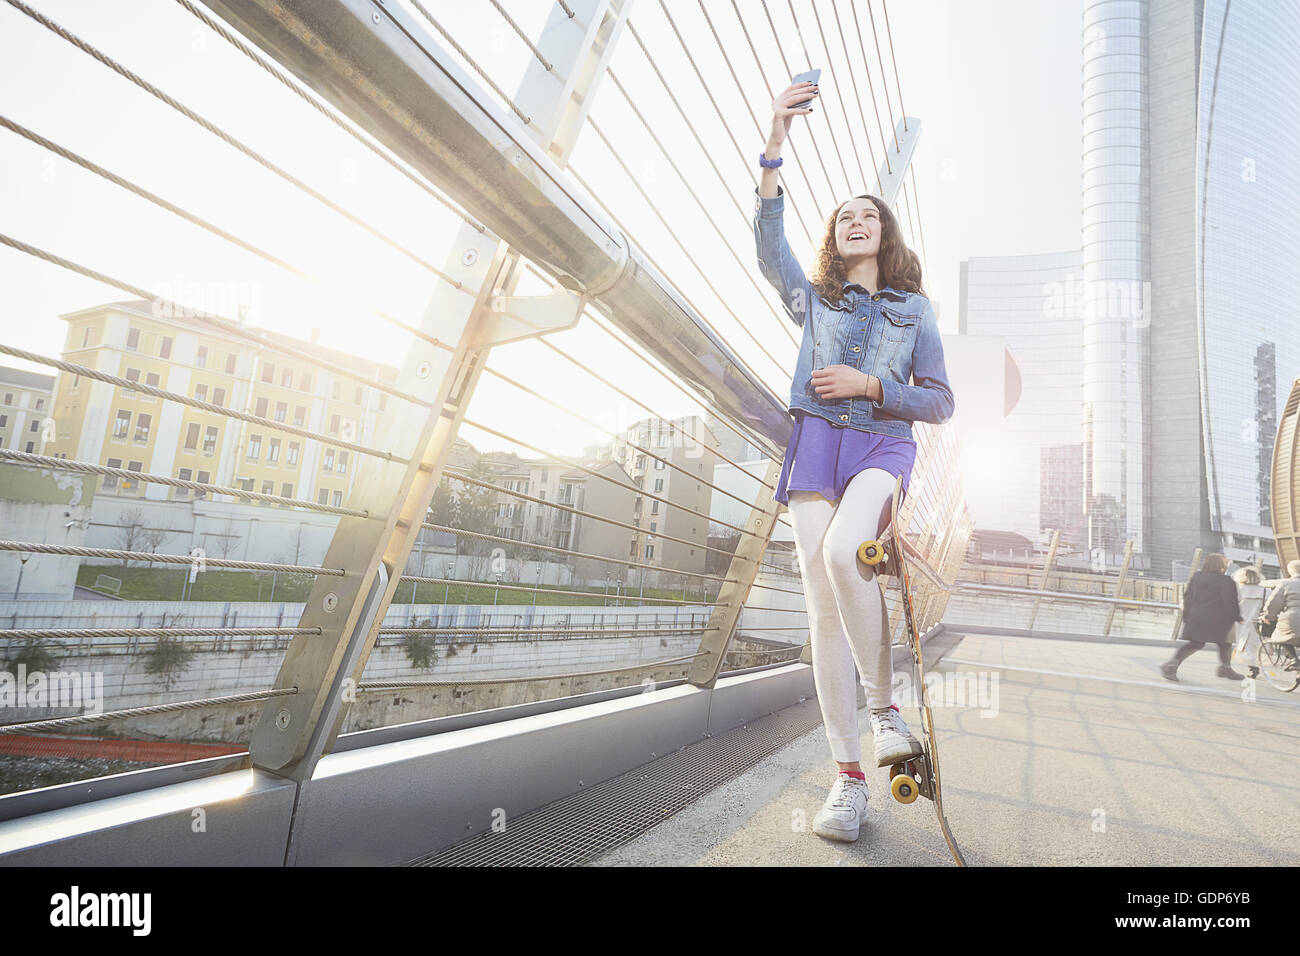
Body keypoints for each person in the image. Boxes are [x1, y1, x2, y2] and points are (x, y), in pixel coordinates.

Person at [754, 80, 955, 842]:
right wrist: (775, 140)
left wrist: (874, 384)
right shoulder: (813, 301)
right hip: (815, 441)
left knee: (847, 553)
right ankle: (847, 781)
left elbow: (939, 401)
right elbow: (767, 240)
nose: (855, 220)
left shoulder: (915, 310)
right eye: (844, 217)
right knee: (821, 608)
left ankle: (885, 711)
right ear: (834, 241)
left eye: (868, 213)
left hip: (881, 440)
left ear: (887, 233)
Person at [1161, 553, 1244, 682]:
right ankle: (1225, 668)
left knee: (1197, 643)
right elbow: (1230, 602)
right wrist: (1237, 616)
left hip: (1197, 617)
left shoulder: (1197, 577)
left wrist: (1186, 616)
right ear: (1221, 565)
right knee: (1225, 643)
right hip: (1217, 620)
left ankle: (1172, 665)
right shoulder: (1226, 581)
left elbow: (1188, 597)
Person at [1261, 559, 1300, 671]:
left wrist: (1268, 614)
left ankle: (1294, 660)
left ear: (1290, 571)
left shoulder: (1286, 583)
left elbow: (1274, 602)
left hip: (1294, 616)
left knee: (1280, 637)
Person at [1230, 566, 1267, 678]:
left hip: (1240, 621)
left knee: (1243, 646)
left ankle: (1252, 668)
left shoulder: (1237, 590)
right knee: (1254, 646)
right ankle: (1254, 667)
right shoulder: (1265, 590)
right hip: (1258, 622)